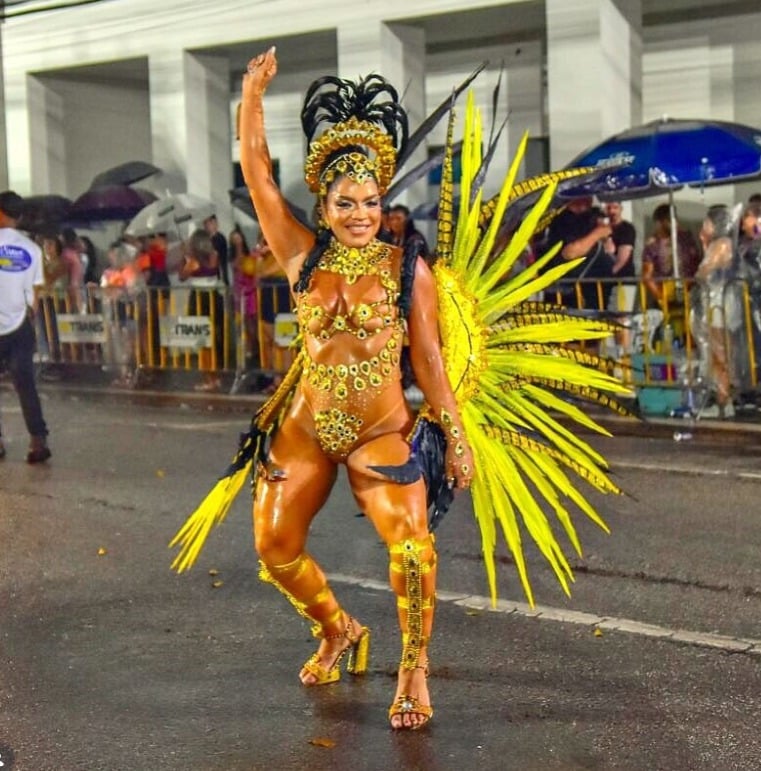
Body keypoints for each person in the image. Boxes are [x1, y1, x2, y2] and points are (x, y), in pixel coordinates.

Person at [234, 47, 475, 730]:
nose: (361, 213)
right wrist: (252, 95)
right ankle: (338, 628)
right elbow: (256, 171)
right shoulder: (300, 254)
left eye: (371, 202)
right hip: (308, 424)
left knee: (411, 549)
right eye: (346, 203)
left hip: (380, 431)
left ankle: (413, 666)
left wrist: (455, 434)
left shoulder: (406, 268)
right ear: (324, 204)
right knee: (274, 545)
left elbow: (428, 359)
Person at [0, 190, 51, 463]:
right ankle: (37, 440)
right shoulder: (32, 249)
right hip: (20, 325)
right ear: (19, 217)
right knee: (25, 384)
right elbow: (36, 293)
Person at [693, 205, 739, 419]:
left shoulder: (721, 244)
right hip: (719, 303)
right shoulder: (721, 244)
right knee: (718, 353)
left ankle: (723, 401)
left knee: (720, 354)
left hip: (720, 304)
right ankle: (723, 399)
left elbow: (703, 272)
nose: (704, 226)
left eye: (707, 222)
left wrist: (705, 245)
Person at [541, 195, 612, 310]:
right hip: (571, 295)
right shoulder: (562, 220)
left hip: (596, 293)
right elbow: (570, 253)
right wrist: (597, 234)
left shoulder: (590, 218)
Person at [179, 229, 224, 392]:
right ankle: (215, 376)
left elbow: (182, 277)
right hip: (214, 297)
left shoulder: (193, 261)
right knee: (214, 338)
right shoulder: (214, 256)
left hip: (199, 299)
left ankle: (208, 377)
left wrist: (185, 259)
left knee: (202, 339)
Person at [639, 202, 700, 311]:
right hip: (666, 295)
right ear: (659, 223)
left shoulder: (686, 238)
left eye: (675, 219)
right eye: (669, 220)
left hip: (692, 294)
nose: (675, 223)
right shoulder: (652, 245)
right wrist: (662, 298)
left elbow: (697, 263)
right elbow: (647, 276)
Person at [229, 225, 259, 367]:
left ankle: (256, 346)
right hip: (240, 291)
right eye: (234, 239)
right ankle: (249, 348)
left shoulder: (251, 255)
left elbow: (250, 268)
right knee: (245, 322)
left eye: (238, 238)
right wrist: (238, 247)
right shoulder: (232, 257)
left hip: (250, 290)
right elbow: (237, 265)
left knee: (254, 322)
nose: (237, 240)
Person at [204, 214, 230, 288]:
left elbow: (214, 254)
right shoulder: (206, 238)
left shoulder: (219, 238)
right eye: (205, 224)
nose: (206, 226)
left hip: (219, 272)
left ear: (215, 224)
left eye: (209, 223)